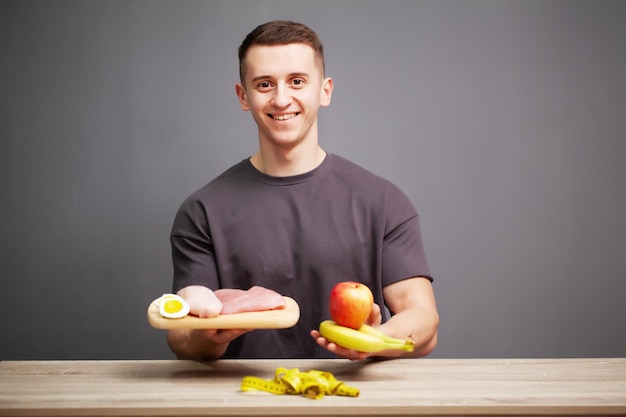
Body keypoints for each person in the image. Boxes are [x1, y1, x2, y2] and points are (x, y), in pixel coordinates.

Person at [166, 20, 439, 361]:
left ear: (324, 90)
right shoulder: (202, 210)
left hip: (355, 404)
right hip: (245, 402)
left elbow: (424, 320)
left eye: (297, 81)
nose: (282, 99)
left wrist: (375, 341)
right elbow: (182, 338)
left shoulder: (383, 202)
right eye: (264, 84)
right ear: (243, 96)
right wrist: (211, 335)